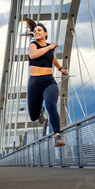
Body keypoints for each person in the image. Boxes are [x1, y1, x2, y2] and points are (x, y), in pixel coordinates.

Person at [24, 17, 68, 147]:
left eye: (39, 30)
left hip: (49, 81)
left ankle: (57, 136)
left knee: (51, 105)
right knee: (33, 116)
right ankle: (40, 111)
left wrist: (60, 68)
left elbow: (52, 58)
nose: (36, 32)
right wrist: (49, 48)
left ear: (45, 33)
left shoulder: (50, 47)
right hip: (34, 84)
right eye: (35, 31)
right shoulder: (33, 45)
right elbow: (33, 55)